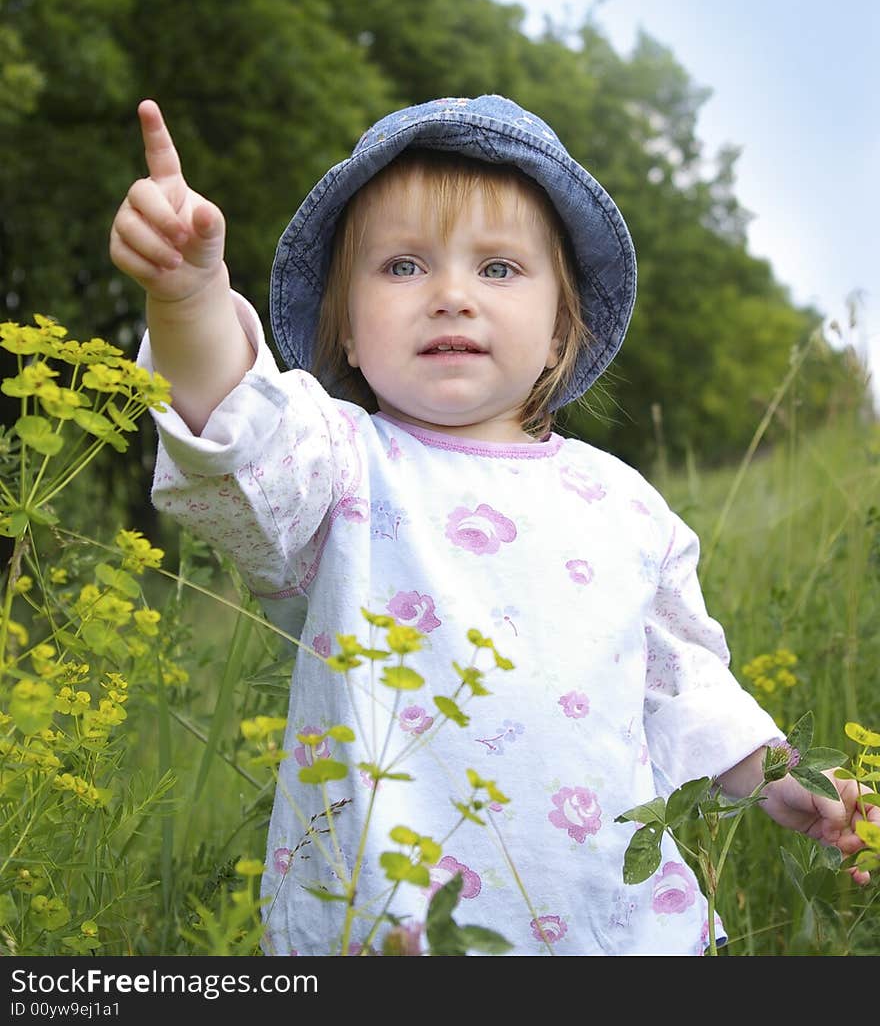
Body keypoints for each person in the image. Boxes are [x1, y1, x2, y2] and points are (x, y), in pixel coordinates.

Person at [110, 93, 877, 957]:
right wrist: (188, 300)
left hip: (619, 929)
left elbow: (681, 688)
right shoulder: (339, 461)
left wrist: (782, 779)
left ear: (559, 331)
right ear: (349, 335)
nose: (450, 296)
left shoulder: (625, 503)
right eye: (401, 266)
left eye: (499, 270)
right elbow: (229, 429)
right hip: (394, 930)